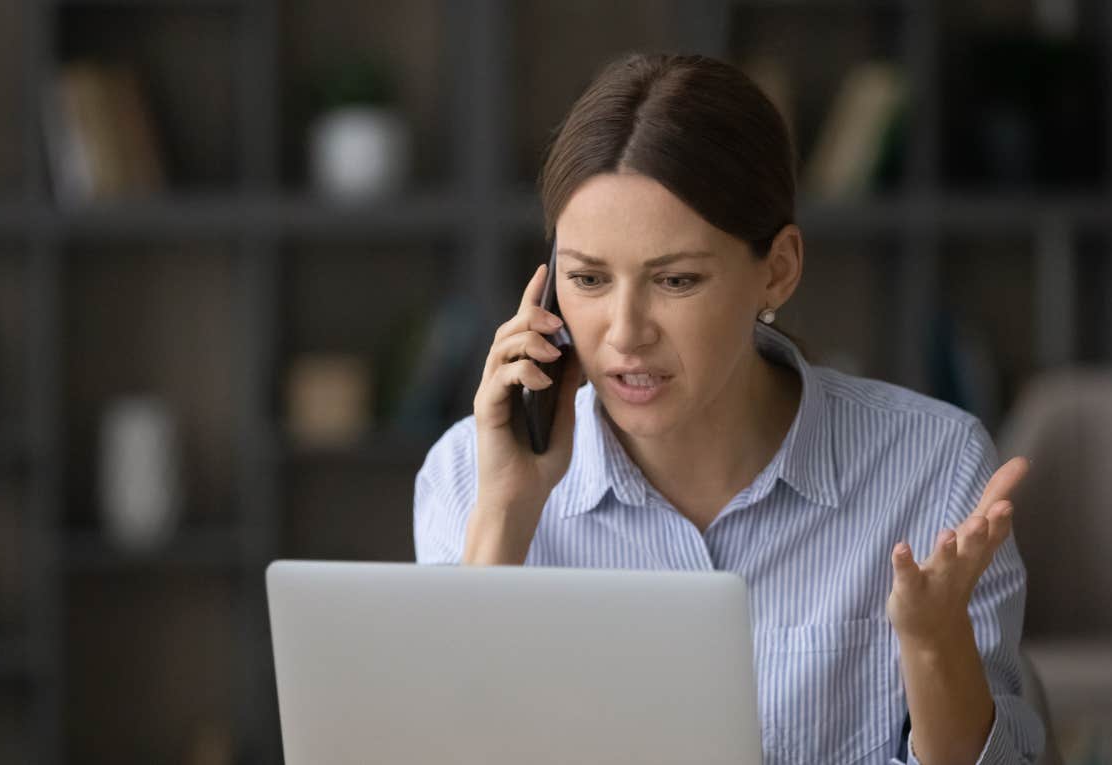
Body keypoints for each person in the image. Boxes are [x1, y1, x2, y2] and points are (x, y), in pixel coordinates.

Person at [414, 52, 1045, 765]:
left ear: (777, 269)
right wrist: (504, 514)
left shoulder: (933, 468)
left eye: (675, 279)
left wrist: (934, 647)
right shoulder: (469, 473)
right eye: (587, 278)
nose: (624, 333)